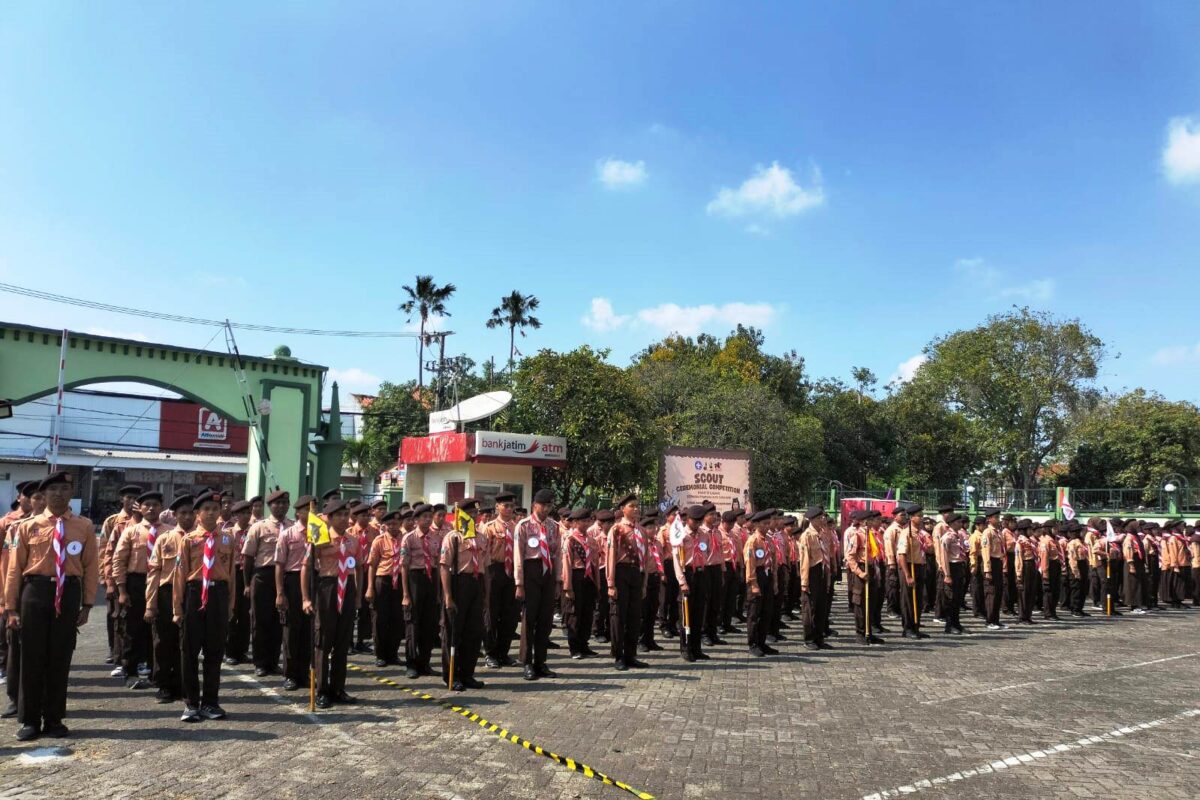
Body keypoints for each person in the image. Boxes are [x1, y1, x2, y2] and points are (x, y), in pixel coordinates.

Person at [4, 472, 97, 741]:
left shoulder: (84, 526)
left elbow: (91, 568)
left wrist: (88, 604)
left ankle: (54, 719)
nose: (58, 493)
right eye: (53, 489)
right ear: (43, 496)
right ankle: (29, 720)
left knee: (60, 657)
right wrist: (11, 608)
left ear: (71, 493)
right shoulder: (26, 526)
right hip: (35, 591)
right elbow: (14, 569)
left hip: (68, 592)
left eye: (64, 489)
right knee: (31, 658)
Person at [174, 490, 238, 722]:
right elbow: (179, 575)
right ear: (197, 514)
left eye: (215, 509)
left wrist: (230, 605)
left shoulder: (227, 539)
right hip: (193, 593)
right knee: (189, 651)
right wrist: (177, 609)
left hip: (218, 595)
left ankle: (211, 702)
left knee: (215, 651)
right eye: (206, 510)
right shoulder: (188, 540)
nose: (211, 513)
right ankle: (191, 704)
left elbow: (231, 573)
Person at [301, 498, 361, 709]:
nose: (344, 519)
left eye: (346, 515)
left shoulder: (353, 540)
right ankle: (321, 690)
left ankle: (338, 688)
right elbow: (306, 567)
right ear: (330, 518)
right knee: (323, 641)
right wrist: (306, 598)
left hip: (347, 588)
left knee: (342, 642)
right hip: (327, 588)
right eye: (339, 515)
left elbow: (359, 567)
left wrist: (358, 596)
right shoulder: (320, 538)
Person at [113, 491, 165, 689]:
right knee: (133, 630)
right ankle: (131, 671)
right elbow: (119, 560)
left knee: (159, 631)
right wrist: (122, 590)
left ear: (161, 507)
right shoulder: (131, 531)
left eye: (155, 505)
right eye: (147, 505)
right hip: (136, 583)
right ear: (140, 508)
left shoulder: (169, 531)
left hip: (161, 584)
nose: (151, 508)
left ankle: (156, 673)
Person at [145, 494, 192, 703]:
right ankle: (163, 685)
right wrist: (150, 603)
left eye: (191, 512)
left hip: (191, 594)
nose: (188, 517)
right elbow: (154, 572)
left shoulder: (202, 539)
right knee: (163, 642)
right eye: (183, 513)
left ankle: (184, 685)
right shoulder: (164, 539)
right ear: (175, 515)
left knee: (187, 642)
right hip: (166, 594)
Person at [440, 498, 488, 691]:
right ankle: (452, 675)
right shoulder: (453, 537)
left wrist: (486, 594)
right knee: (453, 632)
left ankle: (468, 674)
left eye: (476, 513)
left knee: (474, 632)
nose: (474, 516)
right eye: (470, 513)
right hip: (459, 583)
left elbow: (486, 566)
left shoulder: (481, 537)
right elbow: (444, 567)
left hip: (477, 584)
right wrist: (448, 596)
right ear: (461, 515)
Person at [1, 481, 39, 719]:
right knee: (15, 649)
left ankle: (39, 699)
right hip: (16, 592)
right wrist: (7, 602)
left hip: (42, 595)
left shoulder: (63, 526)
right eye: (35, 496)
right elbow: (7, 566)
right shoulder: (13, 526)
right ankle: (16, 698)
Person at [243, 489, 290, 677]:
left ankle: (273, 661)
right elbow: (247, 558)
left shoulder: (292, 527)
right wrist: (247, 584)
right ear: (270, 506)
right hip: (262, 576)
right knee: (260, 621)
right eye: (277, 503)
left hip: (284, 576)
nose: (281, 506)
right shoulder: (259, 527)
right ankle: (260, 662)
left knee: (279, 621)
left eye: (284, 503)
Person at [514, 489, 560, 680]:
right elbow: (518, 554)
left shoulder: (554, 526)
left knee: (545, 620)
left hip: (547, 572)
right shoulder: (523, 526)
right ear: (535, 505)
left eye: (549, 506)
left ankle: (541, 661)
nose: (547, 509)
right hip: (531, 571)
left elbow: (557, 554)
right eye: (544, 505)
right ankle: (527, 662)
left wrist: (558, 580)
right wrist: (519, 583)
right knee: (529, 619)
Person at [275, 495, 314, 691]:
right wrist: (280, 592)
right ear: (298, 512)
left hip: (313, 581)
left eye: (313, 508)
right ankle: (290, 674)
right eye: (307, 509)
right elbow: (279, 565)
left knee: (308, 631)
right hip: (292, 581)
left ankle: (304, 673)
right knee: (291, 630)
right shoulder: (288, 534)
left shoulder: (319, 533)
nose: (311, 512)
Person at [100, 484, 141, 667]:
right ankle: (114, 650)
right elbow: (104, 552)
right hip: (116, 576)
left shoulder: (144, 520)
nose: (132, 501)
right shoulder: (113, 522)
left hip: (135, 577)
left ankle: (131, 654)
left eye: (135, 498)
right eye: (129, 497)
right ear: (121, 499)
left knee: (132, 618)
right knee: (114, 615)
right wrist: (107, 579)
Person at [607, 494, 647, 671]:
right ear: (623, 509)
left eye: (637, 506)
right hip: (621, 572)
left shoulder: (642, 530)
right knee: (619, 616)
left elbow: (645, 559)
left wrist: (644, 582)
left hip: (636, 573)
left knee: (634, 616)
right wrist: (611, 583)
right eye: (632, 506)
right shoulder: (616, 529)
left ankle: (631, 655)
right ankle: (618, 655)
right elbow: (611, 557)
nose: (636, 509)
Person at [480, 492, 520, 669]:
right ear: (497, 507)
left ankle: (503, 653)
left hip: (511, 571)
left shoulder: (517, 527)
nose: (510, 509)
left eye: (512, 506)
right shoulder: (489, 528)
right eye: (506, 506)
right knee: (491, 613)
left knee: (510, 615)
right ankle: (490, 653)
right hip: (494, 570)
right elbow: (483, 553)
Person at [399, 506, 437, 677]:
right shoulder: (409, 538)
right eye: (424, 517)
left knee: (429, 624)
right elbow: (404, 567)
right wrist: (406, 594)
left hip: (431, 579)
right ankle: (412, 663)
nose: (428, 520)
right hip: (415, 579)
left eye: (430, 516)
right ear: (416, 520)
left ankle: (425, 662)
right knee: (413, 623)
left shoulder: (436, 537)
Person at [365, 508, 404, 668]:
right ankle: (380, 654)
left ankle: (393, 653)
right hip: (383, 581)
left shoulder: (405, 539)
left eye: (395, 523)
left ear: (400, 524)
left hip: (400, 580)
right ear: (385, 525)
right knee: (380, 618)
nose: (393, 526)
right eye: (389, 524)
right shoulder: (379, 541)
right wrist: (370, 587)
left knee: (397, 619)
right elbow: (372, 566)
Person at [674, 504, 711, 662]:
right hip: (687, 573)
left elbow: (706, 551)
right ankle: (686, 648)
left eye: (699, 522)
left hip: (701, 574)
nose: (696, 525)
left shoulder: (704, 534)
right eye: (694, 521)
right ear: (688, 519)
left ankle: (697, 648)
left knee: (698, 613)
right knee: (686, 615)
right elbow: (676, 560)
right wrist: (682, 582)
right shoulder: (681, 535)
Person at [561, 508, 599, 659]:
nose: (586, 523)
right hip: (576, 576)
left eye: (588, 520)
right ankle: (575, 647)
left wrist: (597, 584)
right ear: (575, 523)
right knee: (574, 614)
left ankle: (584, 644)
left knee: (587, 613)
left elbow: (595, 563)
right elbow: (566, 564)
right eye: (583, 521)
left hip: (588, 578)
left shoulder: (591, 540)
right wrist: (568, 587)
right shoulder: (570, 540)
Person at [223, 499, 252, 666]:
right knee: (231, 613)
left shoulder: (253, 531)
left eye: (248, 513)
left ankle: (242, 651)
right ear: (235, 516)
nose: (246, 516)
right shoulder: (228, 533)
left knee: (245, 614)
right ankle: (229, 651)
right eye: (242, 513)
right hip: (232, 573)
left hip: (247, 573)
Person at [743, 513, 777, 656]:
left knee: (766, 612)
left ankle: (762, 642)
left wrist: (775, 582)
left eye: (768, 523)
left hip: (767, 575)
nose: (767, 526)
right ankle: (753, 643)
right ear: (756, 525)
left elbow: (773, 560)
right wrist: (753, 583)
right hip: (757, 575)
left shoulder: (769, 540)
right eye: (764, 523)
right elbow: (750, 564)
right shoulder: (753, 541)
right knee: (754, 613)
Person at [798, 506, 831, 650]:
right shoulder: (807, 535)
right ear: (812, 520)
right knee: (809, 608)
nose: (822, 520)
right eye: (819, 518)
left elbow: (827, 555)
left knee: (821, 607)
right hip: (812, 572)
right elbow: (804, 560)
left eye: (822, 517)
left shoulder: (823, 533)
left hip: (823, 571)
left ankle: (819, 637)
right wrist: (804, 582)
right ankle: (809, 638)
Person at [895, 503, 929, 639]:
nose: (921, 518)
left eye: (922, 516)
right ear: (912, 518)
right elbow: (902, 555)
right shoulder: (906, 533)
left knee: (918, 599)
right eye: (919, 516)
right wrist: (907, 575)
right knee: (908, 599)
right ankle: (908, 628)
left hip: (920, 566)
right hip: (909, 566)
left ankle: (916, 626)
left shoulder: (919, 533)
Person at [349, 503, 376, 655]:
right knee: (351, 608)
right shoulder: (349, 532)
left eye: (367, 515)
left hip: (368, 572)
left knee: (365, 609)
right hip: (352, 572)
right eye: (362, 515)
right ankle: (348, 641)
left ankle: (361, 641)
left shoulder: (374, 532)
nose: (365, 518)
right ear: (356, 517)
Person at [639, 510, 664, 652]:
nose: (654, 530)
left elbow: (659, 560)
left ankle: (650, 639)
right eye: (650, 527)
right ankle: (641, 640)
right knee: (643, 612)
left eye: (655, 527)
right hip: (644, 579)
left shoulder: (658, 544)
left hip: (655, 578)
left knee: (652, 610)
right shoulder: (641, 544)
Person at [938, 513, 967, 635]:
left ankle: (956, 623)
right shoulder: (947, 537)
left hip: (959, 567)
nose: (961, 524)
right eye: (958, 522)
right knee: (950, 598)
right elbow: (943, 557)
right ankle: (949, 625)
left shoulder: (958, 536)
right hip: (951, 567)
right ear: (952, 523)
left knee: (958, 598)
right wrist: (947, 574)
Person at [980, 508, 1006, 630]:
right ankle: (989, 620)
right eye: (995, 517)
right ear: (989, 519)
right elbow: (985, 552)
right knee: (991, 593)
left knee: (998, 592)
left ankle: (996, 619)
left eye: (998, 517)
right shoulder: (987, 532)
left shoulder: (998, 532)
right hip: (991, 562)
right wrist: (987, 570)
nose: (998, 519)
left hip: (998, 562)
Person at [657, 506, 681, 639]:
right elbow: (659, 553)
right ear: (667, 517)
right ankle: (663, 625)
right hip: (667, 565)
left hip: (677, 565)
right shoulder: (663, 531)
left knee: (675, 597)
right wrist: (662, 572)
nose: (676, 516)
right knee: (665, 598)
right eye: (673, 514)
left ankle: (673, 624)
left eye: (677, 514)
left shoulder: (679, 529)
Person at [590, 510, 613, 644]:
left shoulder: (617, 538)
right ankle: (597, 630)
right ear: (601, 525)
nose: (610, 525)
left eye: (612, 522)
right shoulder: (597, 540)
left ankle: (610, 630)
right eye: (607, 523)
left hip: (613, 572)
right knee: (601, 603)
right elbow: (595, 559)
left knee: (612, 603)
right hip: (602, 572)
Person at [1038, 521, 1064, 621]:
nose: (1057, 530)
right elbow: (1044, 558)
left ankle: (1053, 612)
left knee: (1055, 591)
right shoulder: (1046, 541)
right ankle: (1048, 613)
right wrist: (1045, 573)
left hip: (1056, 566)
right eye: (1055, 528)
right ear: (1049, 529)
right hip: (1049, 566)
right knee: (1049, 592)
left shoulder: (1054, 540)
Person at [1122, 520, 1147, 614]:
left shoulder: (1136, 537)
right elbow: (1128, 551)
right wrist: (1131, 564)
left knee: (1138, 584)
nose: (1140, 529)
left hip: (1138, 562)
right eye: (1138, 527)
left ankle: (1139, 604)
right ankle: (1133, 606)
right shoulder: (1129, 538)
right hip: (1132, 562)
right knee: (1132, 584)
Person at [1066, 523, 1090, 617]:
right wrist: (1076, 571)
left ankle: (1080, 608)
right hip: (1076, 566)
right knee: (1076, 588)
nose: (1084, 533)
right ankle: (1075, 609)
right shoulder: (1073, 543)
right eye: (1082, 531)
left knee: (1083, 588)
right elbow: (1072, 558)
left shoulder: (1081, 542)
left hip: (1083, 564)